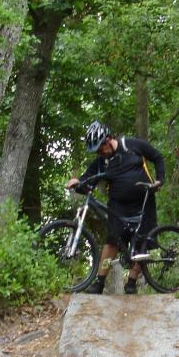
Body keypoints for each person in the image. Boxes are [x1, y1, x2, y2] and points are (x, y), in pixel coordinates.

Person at [66, 120, 165, 295]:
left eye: (100, 148)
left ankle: (132, 282)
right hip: (118, 206)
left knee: (142, 242)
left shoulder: (132, 145)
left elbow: (157, 157)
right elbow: (87, 181)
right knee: (112, 241)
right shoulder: (101, 162)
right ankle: (99, 282)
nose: (99, 153)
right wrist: (77, 183)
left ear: (108, 139)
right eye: (96, 151)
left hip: (144, 201)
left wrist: (159, 180)